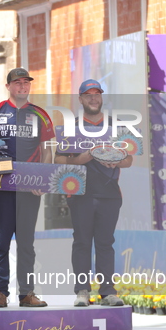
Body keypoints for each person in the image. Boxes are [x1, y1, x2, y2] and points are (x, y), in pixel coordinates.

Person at [0, 68, 54, 308]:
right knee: (1, 242)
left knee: (27, 243)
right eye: (17, 83)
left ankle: (27, 294)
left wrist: (43, 178)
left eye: (26, 83)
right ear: (8, 86)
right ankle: (0, 293)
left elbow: (48, 149)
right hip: (1, 184)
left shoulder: (40, 114)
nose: (22, 87)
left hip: (30, 188)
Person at [54, 79, 133, 307]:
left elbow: (129, 159)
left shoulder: (116, 127)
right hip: (80, 194)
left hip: (109, 193)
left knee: (106, 243)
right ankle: (82, 291)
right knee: (81, 242)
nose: (93, 98)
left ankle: (108, 291)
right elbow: (58, 158)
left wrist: (116, 159)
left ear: (101, 97)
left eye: (96, 94)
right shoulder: (72, 127)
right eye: (88, 95)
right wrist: (82, 158)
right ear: (80, 99)